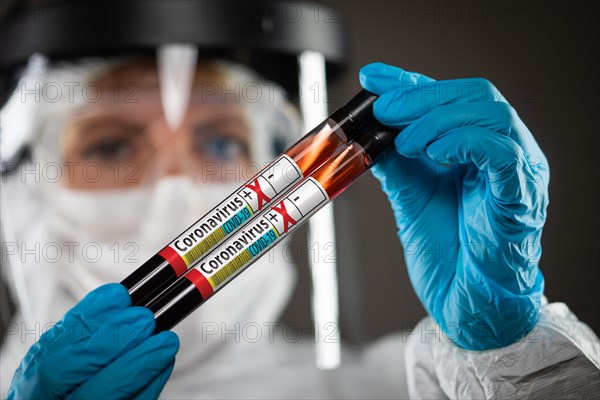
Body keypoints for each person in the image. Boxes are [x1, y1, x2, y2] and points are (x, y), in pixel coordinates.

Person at [2, 3, 599, 400]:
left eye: (219, 140)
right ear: (21, 181)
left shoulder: (398, 389)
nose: (178, 182)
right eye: (109, 146)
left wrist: (505, 347)